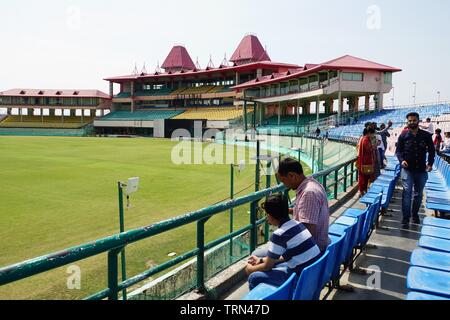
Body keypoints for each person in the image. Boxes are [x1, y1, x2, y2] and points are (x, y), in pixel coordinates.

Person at [246, 194, 321, 290]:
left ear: (269, 215)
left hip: (301, 278)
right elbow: (287, 255)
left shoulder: (279, 235)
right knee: (275, 263)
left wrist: (249, 269)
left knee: (254, 277)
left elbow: (267, 266)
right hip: (314, 272)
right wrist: (260, 260)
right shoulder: (298, 224)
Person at [277, 158, 331, 252]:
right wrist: (288, 211)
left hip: (313, 249)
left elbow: (307, 234)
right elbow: (309, 213)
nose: (285, 185)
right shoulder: (313, 183)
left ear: (291, 175)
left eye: (284, 181)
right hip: (316, 243)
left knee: (259, 255)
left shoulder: (308, 193)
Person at [396, 112, 435, 228]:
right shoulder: (403, 136)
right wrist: (401, 160)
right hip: (407, 169)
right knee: (407, 193)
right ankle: (405, 218)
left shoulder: (426, 135)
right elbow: (398, 151)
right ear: (407, 122)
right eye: (410, 121)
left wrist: (430, 163)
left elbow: (432, 151)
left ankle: (415, 215)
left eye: (414, 120)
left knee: (418, 195)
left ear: (418, 121)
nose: (412, 122)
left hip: (421, 170)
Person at [357, 128, 376, 197]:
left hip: (365, 162)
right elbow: (369, 149)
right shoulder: (365, 139)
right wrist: (374, 146)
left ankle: (363, 190)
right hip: (364, 163)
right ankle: (361, 191)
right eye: (372, 133)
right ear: (369, 133)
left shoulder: (365, 139)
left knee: (365, 178)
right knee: (363, 178)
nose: (373, 135)